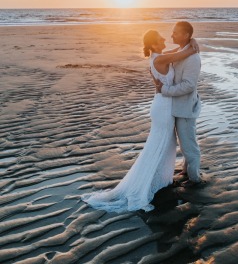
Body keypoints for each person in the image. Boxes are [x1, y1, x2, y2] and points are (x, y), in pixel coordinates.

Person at [80, 29, 199, 213]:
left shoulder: (159, 56)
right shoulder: (159, 59)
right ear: (153, 44)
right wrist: (193, 44)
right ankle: (148, 182)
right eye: (160, 38)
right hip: (163, 107)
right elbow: (185, 53)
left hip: (164, 104)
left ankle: (159, 179)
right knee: (161, 143)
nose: (164, 38)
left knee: (164, 143)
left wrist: (192, 43)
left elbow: (178, 54)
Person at [153, 21, 203, 187]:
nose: (171, 35)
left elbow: (189, 85)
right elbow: (169, 56)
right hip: (175, 107)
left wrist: (165, 90)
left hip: (186, 108)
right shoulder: (182, 51)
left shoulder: (193, 58)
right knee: (184, 142)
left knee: (189, 145)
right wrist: (192, 43)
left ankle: (195, 179)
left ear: (186, 35)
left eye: (175, 32)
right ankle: (186, 170)